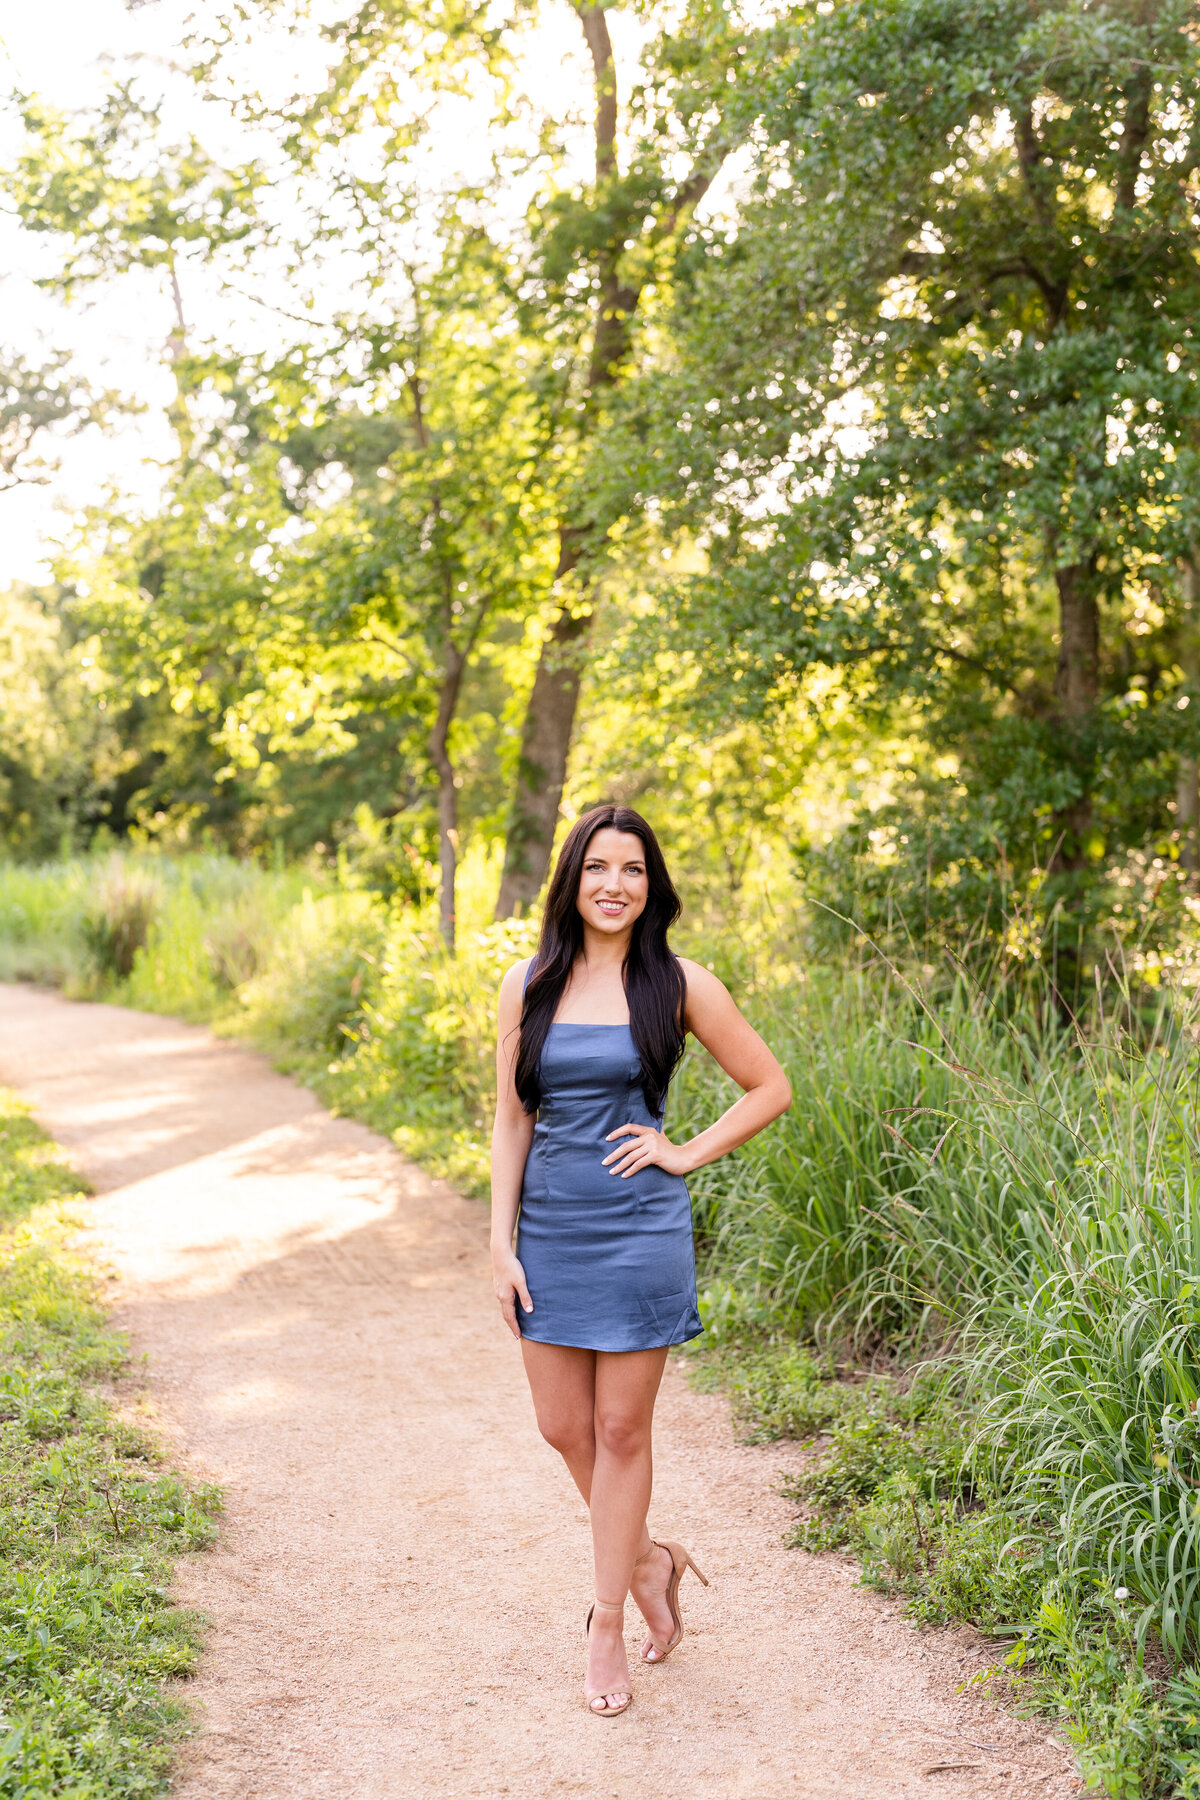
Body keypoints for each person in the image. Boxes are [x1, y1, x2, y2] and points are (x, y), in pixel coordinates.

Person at [490, 803, 792, 1717]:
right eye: (596, 868)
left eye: (631, 869)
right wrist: (496, 1242)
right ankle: (653, 1558)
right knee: (560, 1425)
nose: (614, 885)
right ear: (571, 881)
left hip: (639, 1232)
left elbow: (770, 1086)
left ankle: (608, 1623)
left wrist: (683, 1151)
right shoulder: (528, 983)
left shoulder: (680, 983)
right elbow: (512, 1119)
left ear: (652, 883)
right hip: (548, 1231)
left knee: (622, 1433)